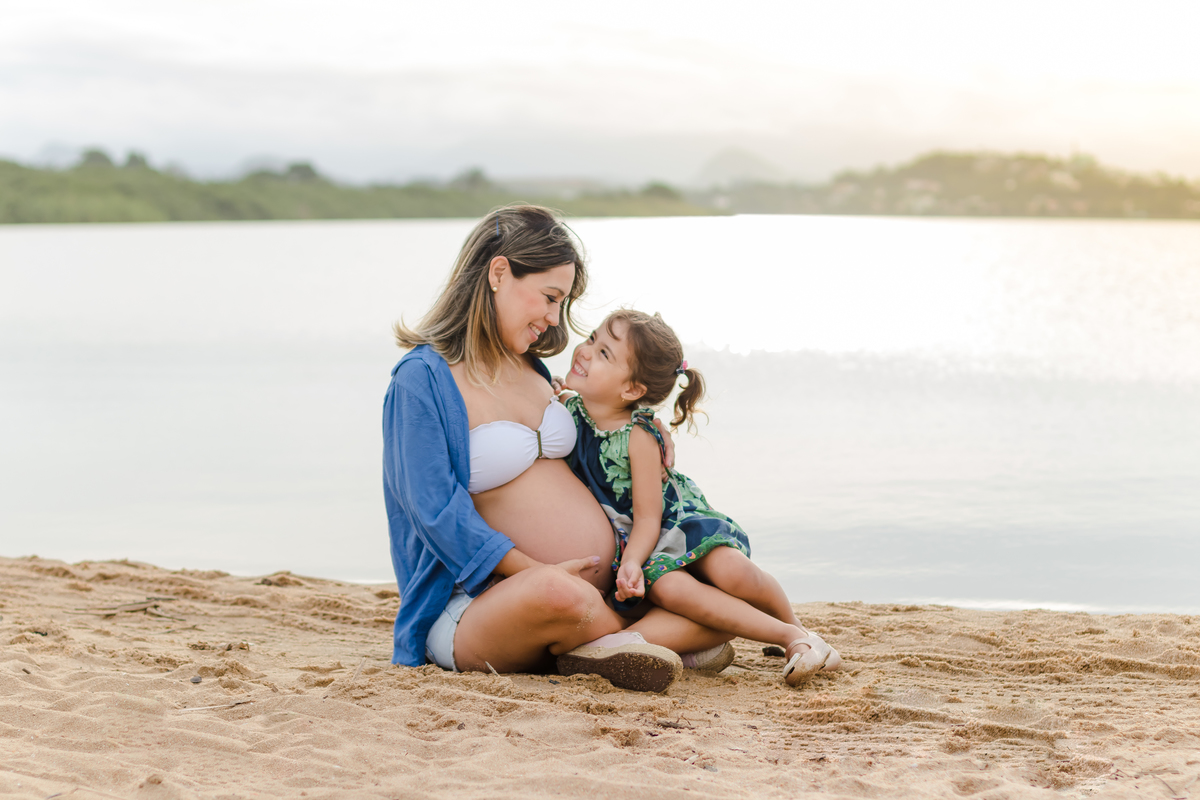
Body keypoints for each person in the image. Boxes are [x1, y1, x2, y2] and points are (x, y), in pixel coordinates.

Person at [383, 206, 732, 693]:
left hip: (599, 585)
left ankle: (605, 645)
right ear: (499, 273)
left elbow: (589, 443)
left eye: (561, 301)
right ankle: (644, 640)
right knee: (555, 594)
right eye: (550, 298)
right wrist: (535, 571)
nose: (553, 319)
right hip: (478, 603)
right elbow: (435, 510)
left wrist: (641, 426)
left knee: (717, 590)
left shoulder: (533, 369)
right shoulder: (422, 380)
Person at [559, 309, 842, 686]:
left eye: (604, 353)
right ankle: (783, 635)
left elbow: (648, 517)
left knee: (734, 573)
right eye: (593, 338)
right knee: (669, 587)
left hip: (673, 522)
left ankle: (798, 632)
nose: (586, 350)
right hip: (639, 541)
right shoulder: (566, 408)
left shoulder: (638, 437)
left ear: (631, 390)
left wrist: (631, 562)